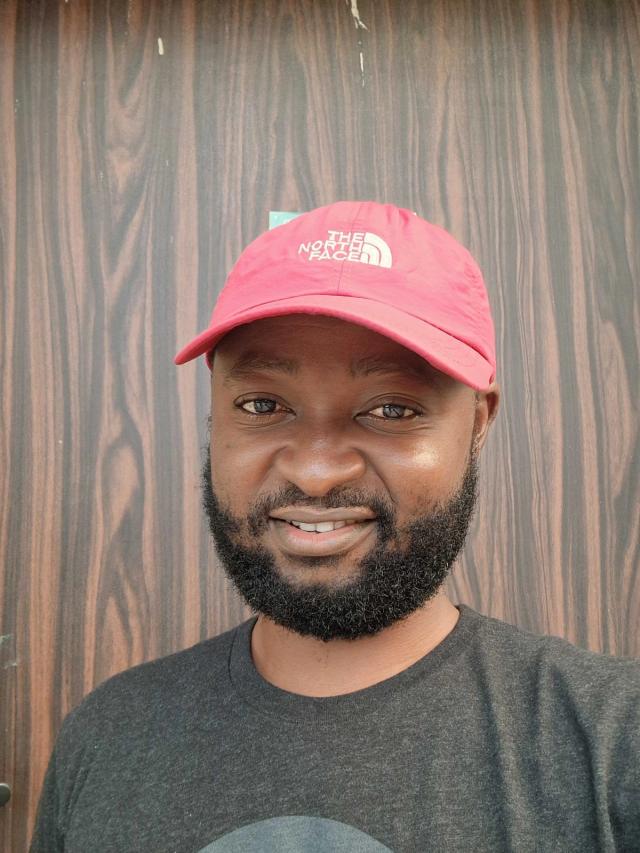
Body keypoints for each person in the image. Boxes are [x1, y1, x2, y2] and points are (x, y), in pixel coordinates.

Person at [30, 201, 639, 852]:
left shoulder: (613, 743)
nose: (317, 471)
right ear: (215, 417)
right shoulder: (108, 737)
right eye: (263, 404)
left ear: (478, 422)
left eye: (391, 408)